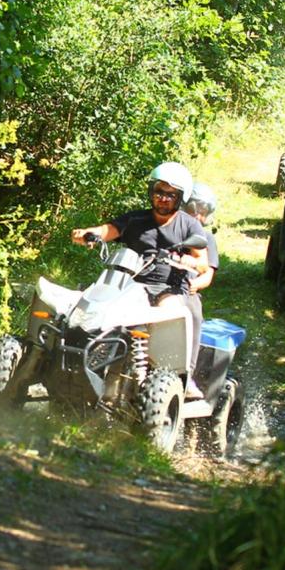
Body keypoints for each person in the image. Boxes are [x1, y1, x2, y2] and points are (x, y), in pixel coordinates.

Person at [71, 161, 209, 399]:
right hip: (133, 284)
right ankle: (94, 361)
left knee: (167, 314)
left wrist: (189, 262)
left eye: (170, 195)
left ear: (180, 198)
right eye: (159, 192)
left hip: (171, 288)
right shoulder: (136, 219)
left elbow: (202, 261)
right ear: (150, 192)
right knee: (102, 308)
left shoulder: (189, 225)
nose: (163, 199)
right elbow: (110, 229)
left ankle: (180, 376)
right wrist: (88, 233)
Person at [181, 181, 220, 387]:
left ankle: (188, 372)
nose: (197, 216)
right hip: (154, 283)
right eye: (193, 209)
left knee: (194, 315)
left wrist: (195, 284)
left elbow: (208, 274)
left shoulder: (205, 238)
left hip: (184, 289)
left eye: (203, 212)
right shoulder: (172, 227)